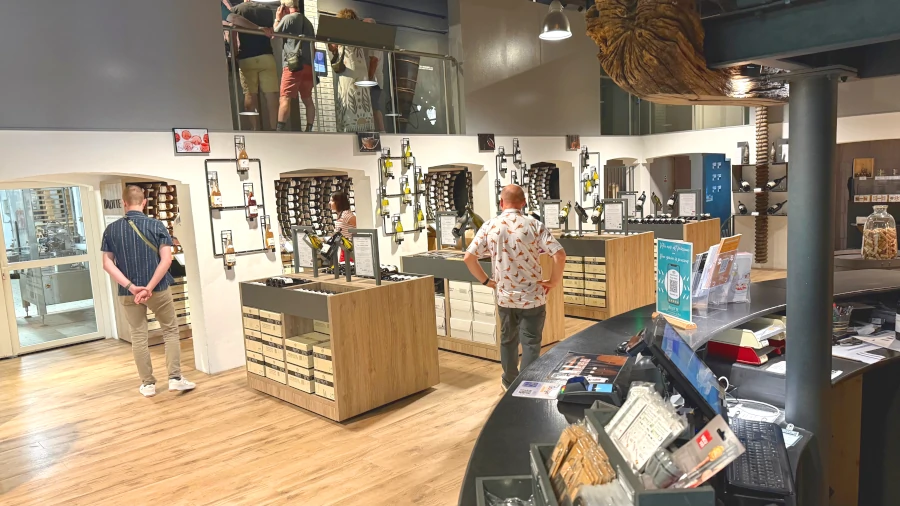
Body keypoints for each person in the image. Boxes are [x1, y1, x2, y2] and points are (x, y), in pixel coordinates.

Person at [463, 185, 566, 391]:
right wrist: (554, 281)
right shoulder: (534, 225)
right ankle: (527, 384)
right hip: (533, 297)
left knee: (508, 341)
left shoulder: (490, 226)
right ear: (524, 203)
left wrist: (486, 281)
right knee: (531, 343)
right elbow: (559, 255)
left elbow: (468, 258)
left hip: (505, 297)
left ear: (501, 203)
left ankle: (509, 381)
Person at [101, 186, 196, 398]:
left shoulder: (111, 230)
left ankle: (148, 384)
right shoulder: (156, 225)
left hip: (129, 293)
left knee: (138, 336)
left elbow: (107, 264)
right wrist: (150, 287)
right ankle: (175, 378)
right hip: (158, 289)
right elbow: (166, 260)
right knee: (170, 331)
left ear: (124, 203)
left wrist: (132, 287)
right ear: (144, 202)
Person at [227, 1, 278, 131]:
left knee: (250, 95)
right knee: (271, 95)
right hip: (267, 56)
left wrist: (234, 54)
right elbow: (271, 30)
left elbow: (232, 34)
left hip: (247, 57)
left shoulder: (236, 10)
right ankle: (274, 129)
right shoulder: (266, 9)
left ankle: (254, 128)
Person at [328, 9, 375, 132]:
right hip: (361, 70)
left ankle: (349, 127)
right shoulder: (360, 32)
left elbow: (332, 46)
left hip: (348, 69)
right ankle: (365, 128)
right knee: (362, 95)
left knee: (348, 93)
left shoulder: (341, 32)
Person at [275, 0, 316, 132]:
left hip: (293, 65)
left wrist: (277, 18)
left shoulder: (288, 18)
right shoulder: (308, 22)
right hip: (308, 65)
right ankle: (309, 129)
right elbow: (313, 47)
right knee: (308, 99)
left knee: (285, 98)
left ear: (285, 7)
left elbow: (274, 34)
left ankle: (279, 130)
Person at [363, 18, 386, 132]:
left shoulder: (374, 42)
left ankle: (381, 130)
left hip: (374, 80)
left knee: (373, 105)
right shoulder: (370, 41)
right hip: (373, 80)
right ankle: (375, 130)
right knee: (371, 105)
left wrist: (369, 78)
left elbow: (374, 61)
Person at [331, 192, 356, 262]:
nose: (330, 203)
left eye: (332, 201)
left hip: (349, 249)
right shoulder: (340, 214)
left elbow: (360, 226)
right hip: (344, 248)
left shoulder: (346, 214)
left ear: (338, 202)